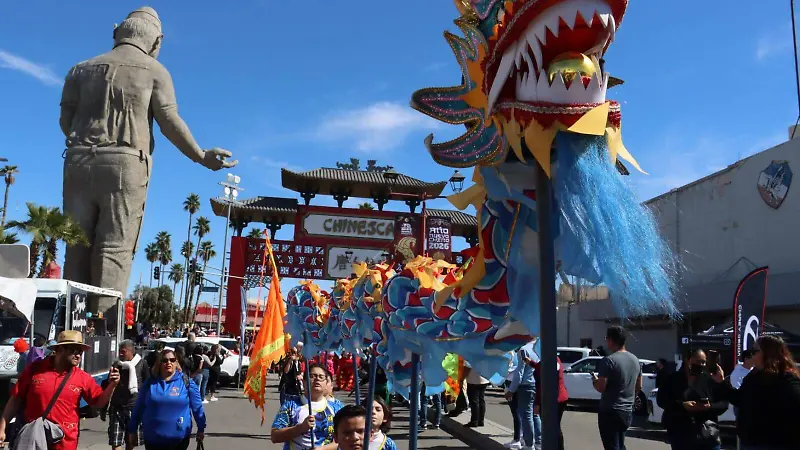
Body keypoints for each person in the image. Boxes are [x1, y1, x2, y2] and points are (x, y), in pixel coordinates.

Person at [59, 7, 237, 314]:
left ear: (117, 31)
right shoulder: (155, 70)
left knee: (76, 245)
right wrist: (201, 156)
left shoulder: (80, 69)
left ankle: (69, 327)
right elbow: (169, 121)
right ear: (157, 41)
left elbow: (66, 121)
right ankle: (102, 326)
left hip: (77, 161)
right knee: (113, 247)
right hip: (125, 164)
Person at [0, 330, 121, 450]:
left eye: (80, 352)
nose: (78, 355)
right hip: (34, 440)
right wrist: (2, 427)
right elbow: (16, 399)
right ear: (60, 350)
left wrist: (112, 385)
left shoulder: (83, 378)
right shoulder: (34, 370)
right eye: (74, 350)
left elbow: (99, 402)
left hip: (65, 443)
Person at [724, 336, 800, 450]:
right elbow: (740, 399)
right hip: (750, 442)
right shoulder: (752, 376)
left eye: (755, 351)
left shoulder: (786, 379)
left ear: (768, 353)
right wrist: (721, 383)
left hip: (776, 443)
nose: (752, 355)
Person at [129, 348, 206, 450]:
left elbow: (197, 408)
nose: (168, 363)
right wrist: (132, 430)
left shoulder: (186, 382)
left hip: (179, 439)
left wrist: (201, 428)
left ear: (176, 362)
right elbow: (138, 409)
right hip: (153, 439)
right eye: (165, 360)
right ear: (159, 363)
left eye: (172, 360)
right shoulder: (149, 384)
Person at [657, 348, 727, 450]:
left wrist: (709, 407)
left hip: (707, 435)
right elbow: (661, 400)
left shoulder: (709, 380)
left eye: (704, 362)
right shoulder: (673, 379)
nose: (702, 365)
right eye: (699, 361)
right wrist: (682, 405)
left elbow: (724, 403)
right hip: (680, 435)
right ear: (688, 360)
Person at [271, 364, 344, 450]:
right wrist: (300, 428)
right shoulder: (291, 405)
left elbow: (344, 440)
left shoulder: (336, 408)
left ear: (327, 383)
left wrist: (322, 449)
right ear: (304, 382)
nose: (317, 379)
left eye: (321, 377)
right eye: (312, 376)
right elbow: (275, 436)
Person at [592, 326, 642, 450]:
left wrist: (594, 381)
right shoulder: (635, 360)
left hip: (610, 411)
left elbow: (601, 387)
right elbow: (639, 386)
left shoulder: (609, 361)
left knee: (612, 446)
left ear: (610, 340)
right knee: (620, 444)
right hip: (627, 411)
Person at [104, 340, 149, 450]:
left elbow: (148, 384)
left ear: (131, 351)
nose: (120, 354)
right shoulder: (116, 364)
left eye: (123, 351)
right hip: (117, 407)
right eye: (119, 351)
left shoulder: (142, 364)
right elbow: (107, 385)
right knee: (115, 441)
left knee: (131, 441)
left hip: (134, 407)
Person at [506, 339, 541, 450]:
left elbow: (519, 373)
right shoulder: (537, 349)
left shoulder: (523, 350)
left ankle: (529, 444)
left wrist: (511, 390)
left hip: (526, 386)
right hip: (536, 384)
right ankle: (539, 443)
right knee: (535, 415)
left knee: (526, 416)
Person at [531, 356, 569, 450]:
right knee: (555, 426)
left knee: (552, 427)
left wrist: (537, 403)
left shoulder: (549, 361)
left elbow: (542, 385)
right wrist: (531, 363)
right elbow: (540, 367)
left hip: (552, 400)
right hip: (561, 397)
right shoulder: (556, 359)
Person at [503, 350, 522, 449]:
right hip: (513, 383)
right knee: (521, 413)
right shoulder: (515, 353)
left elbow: (510, 369)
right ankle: (521, 437)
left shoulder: (512, 354)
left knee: (516, 413)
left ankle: (517, 439)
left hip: (512, 384)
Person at [463, 360, 489, 428]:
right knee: (481, 400)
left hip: (473, 380)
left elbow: (467, 367)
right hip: (484, 380)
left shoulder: (472, 354)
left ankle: (474, 421)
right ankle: (481, 420)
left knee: (474, 401)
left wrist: (462, 378)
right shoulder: (486, 353)